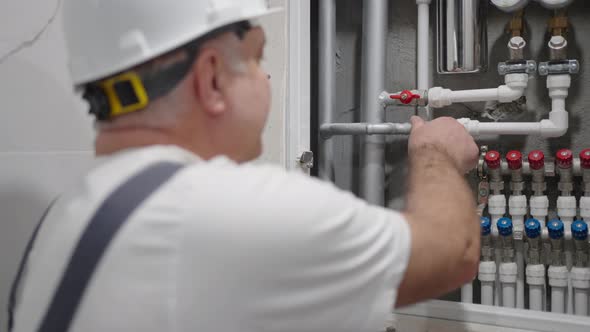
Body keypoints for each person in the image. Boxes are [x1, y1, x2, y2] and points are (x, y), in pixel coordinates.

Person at [11, 1, 480, 331]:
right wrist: (436, 153)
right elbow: (453, 254)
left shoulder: (65, 215)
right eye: (257, 58)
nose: (267, 78)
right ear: (212, 78)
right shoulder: (226, 210)